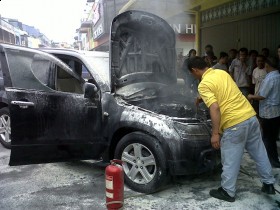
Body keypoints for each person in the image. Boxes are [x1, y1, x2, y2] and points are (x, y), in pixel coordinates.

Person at [188, 56, 275, 202]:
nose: (193, 75)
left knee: (230, 159)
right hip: (250, 117)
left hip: (234, 124)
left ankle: (228, 192)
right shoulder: (221, 72)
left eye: (192, 73)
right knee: (260, 153)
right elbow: (226, 92)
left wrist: (215, 133)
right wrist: (202, 98)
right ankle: (269, 184)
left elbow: (215, 107)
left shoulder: (203, 84)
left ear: (194, 70)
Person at [248, 57, 280, 168]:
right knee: (272, 138)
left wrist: (251, 96)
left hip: (268, 112)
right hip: (276, 112)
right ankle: (274, 159)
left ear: (267, 65)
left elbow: (262, 96)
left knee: (267, 138)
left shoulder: (270, 78)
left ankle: (270, 161)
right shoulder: (278, 76)